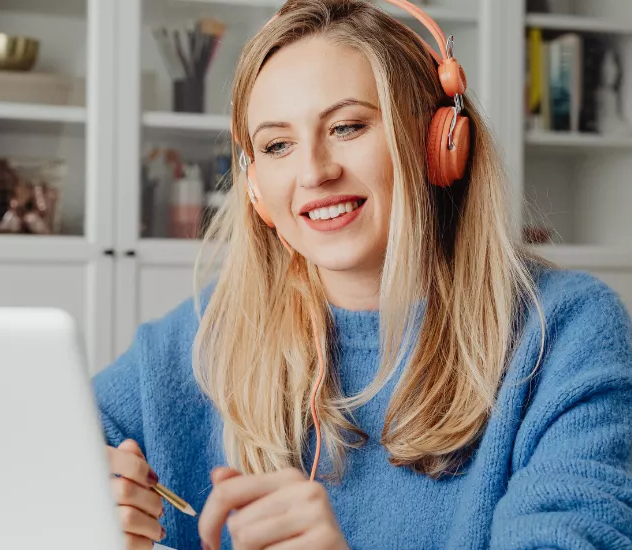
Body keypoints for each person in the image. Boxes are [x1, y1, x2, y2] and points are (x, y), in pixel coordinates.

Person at [94, 1, 632, 549]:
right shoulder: (209, 331)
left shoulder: (565, 330)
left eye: (348, 127)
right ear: (254, 187)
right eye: (277, 145)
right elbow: (36, 445)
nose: (315, 172)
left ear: (439, 143)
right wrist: (89, 504)